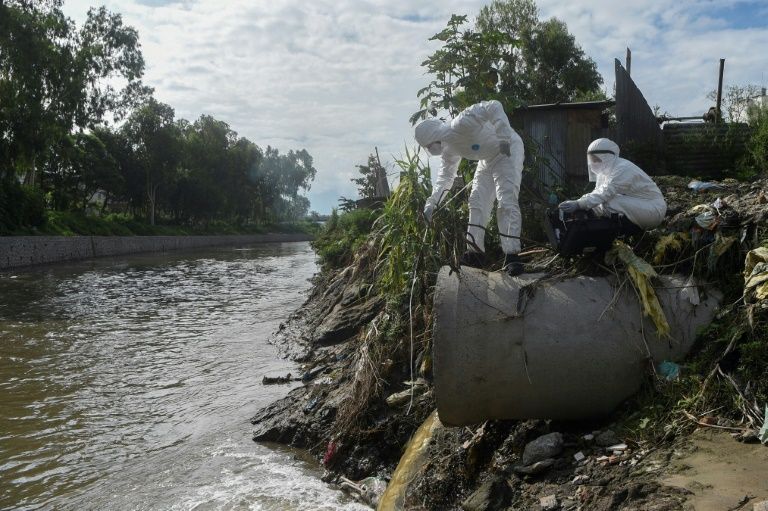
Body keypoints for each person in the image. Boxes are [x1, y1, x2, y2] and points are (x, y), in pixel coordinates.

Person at [414, 100, 525, 275]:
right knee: (476, 201)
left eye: (428, 146)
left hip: (507, 150)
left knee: (506, 199)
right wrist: (432, 203)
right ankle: (475, 253)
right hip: (487, 160)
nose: (430, 149)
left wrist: (503, 137)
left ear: (433, 137)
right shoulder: (449, 150)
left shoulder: (461, 123)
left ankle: (512, 255)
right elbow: (445, 178)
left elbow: (493, 106)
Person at [558, 138, 666, 234]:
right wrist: (582, 206)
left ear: (607, 157)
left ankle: (626, 231)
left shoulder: (622, 168)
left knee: (609, 201)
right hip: (638, 206)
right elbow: (597, 192)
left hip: (653, 209)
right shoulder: (604, 172)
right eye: (591, 159)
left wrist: (579, 204)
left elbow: (606, 192)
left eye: (596, 159)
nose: (593, 163)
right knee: (603, 203)